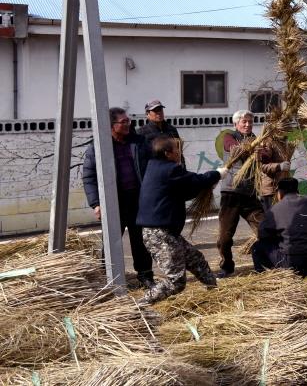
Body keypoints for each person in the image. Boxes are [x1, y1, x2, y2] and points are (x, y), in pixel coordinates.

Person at [136, 136, 225, 304]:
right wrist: (217, 174)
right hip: (159, 234)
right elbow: (195, 180)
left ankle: (214, 293)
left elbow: (184, 192)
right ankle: (140, 305)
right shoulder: (170, 170)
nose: (179, 152)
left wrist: (206, 185)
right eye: (176, 150)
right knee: (176, 282)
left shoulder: (154, 167)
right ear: (167, 153)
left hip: (165, 232)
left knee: (196, 259)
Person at [82, 107, 154, 289]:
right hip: (113, 203)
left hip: (138, 200)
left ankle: (145, 276)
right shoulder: (98, 147)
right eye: (123, 122)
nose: (128, 124)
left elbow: (153, 166)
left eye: (128, 121)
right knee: (111, 242)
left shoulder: (139, 142)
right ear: (111, 125)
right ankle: (108, 278)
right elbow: (89, 177)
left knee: (141, 241)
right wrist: (96, 204)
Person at [251, 173, 307, 281]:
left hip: (293, 264)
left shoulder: (274, 210)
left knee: (257, 247)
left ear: (280, 193)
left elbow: (262, 234)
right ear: (297, 191)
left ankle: (270, 281)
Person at [216, 110, 262, 278]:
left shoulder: (258, 139)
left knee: (264, 229)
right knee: (225, 238)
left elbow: (265, 154)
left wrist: (261, 151)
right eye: (244, 122)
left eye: (250, 121)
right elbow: (233, 149)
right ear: (236, 124)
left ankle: (265, 263)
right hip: (231, 193)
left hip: (250, 194)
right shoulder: (229, 137)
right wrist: (252, 149)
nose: (248, 124)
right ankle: (227, 267)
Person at [137, 99, 186, 169]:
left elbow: (179, 152)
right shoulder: (141, 132)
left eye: (160, 110)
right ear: (147, 114)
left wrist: (183, 169)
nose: (159, 113)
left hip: (173, 170)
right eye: (155, 110)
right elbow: (141, 158)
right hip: (155, 171)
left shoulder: (171, 129)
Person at [255, 137, 292, 210]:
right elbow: (262, 166)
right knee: (272, 218)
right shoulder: (268, 142)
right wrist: (279, 166)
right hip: (271, 190)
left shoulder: (284, 141)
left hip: (282, 188)